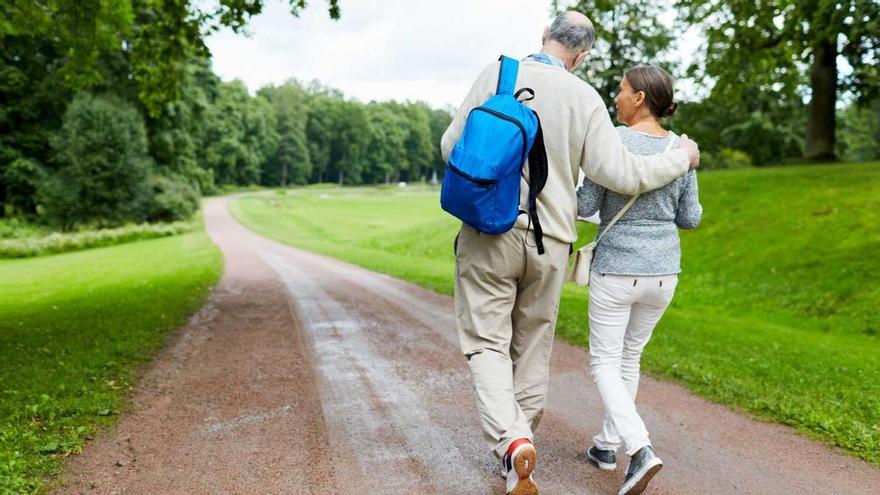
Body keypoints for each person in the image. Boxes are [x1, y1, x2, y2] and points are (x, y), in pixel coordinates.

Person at [440, 11, 701, 495]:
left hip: (487, 235)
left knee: (487, 343)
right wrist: (679, 158)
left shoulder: (498, 74)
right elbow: (623, 176)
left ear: (544, 37)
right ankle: (519, 446)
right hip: (551, 244)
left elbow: (451, 145)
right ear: (581, 57)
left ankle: (513, 441)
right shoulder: (585, 98)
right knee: (534, 343)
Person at [578, 65, 702, 495]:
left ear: (640, 99)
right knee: (629, 358)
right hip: (665, 273)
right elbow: (690, 217)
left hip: (618, 269)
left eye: (622, 90)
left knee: (604, 362)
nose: (616, 96)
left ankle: (639, 448)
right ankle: (606, 446)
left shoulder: (611, 140)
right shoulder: (681, 150)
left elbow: (585, 203)